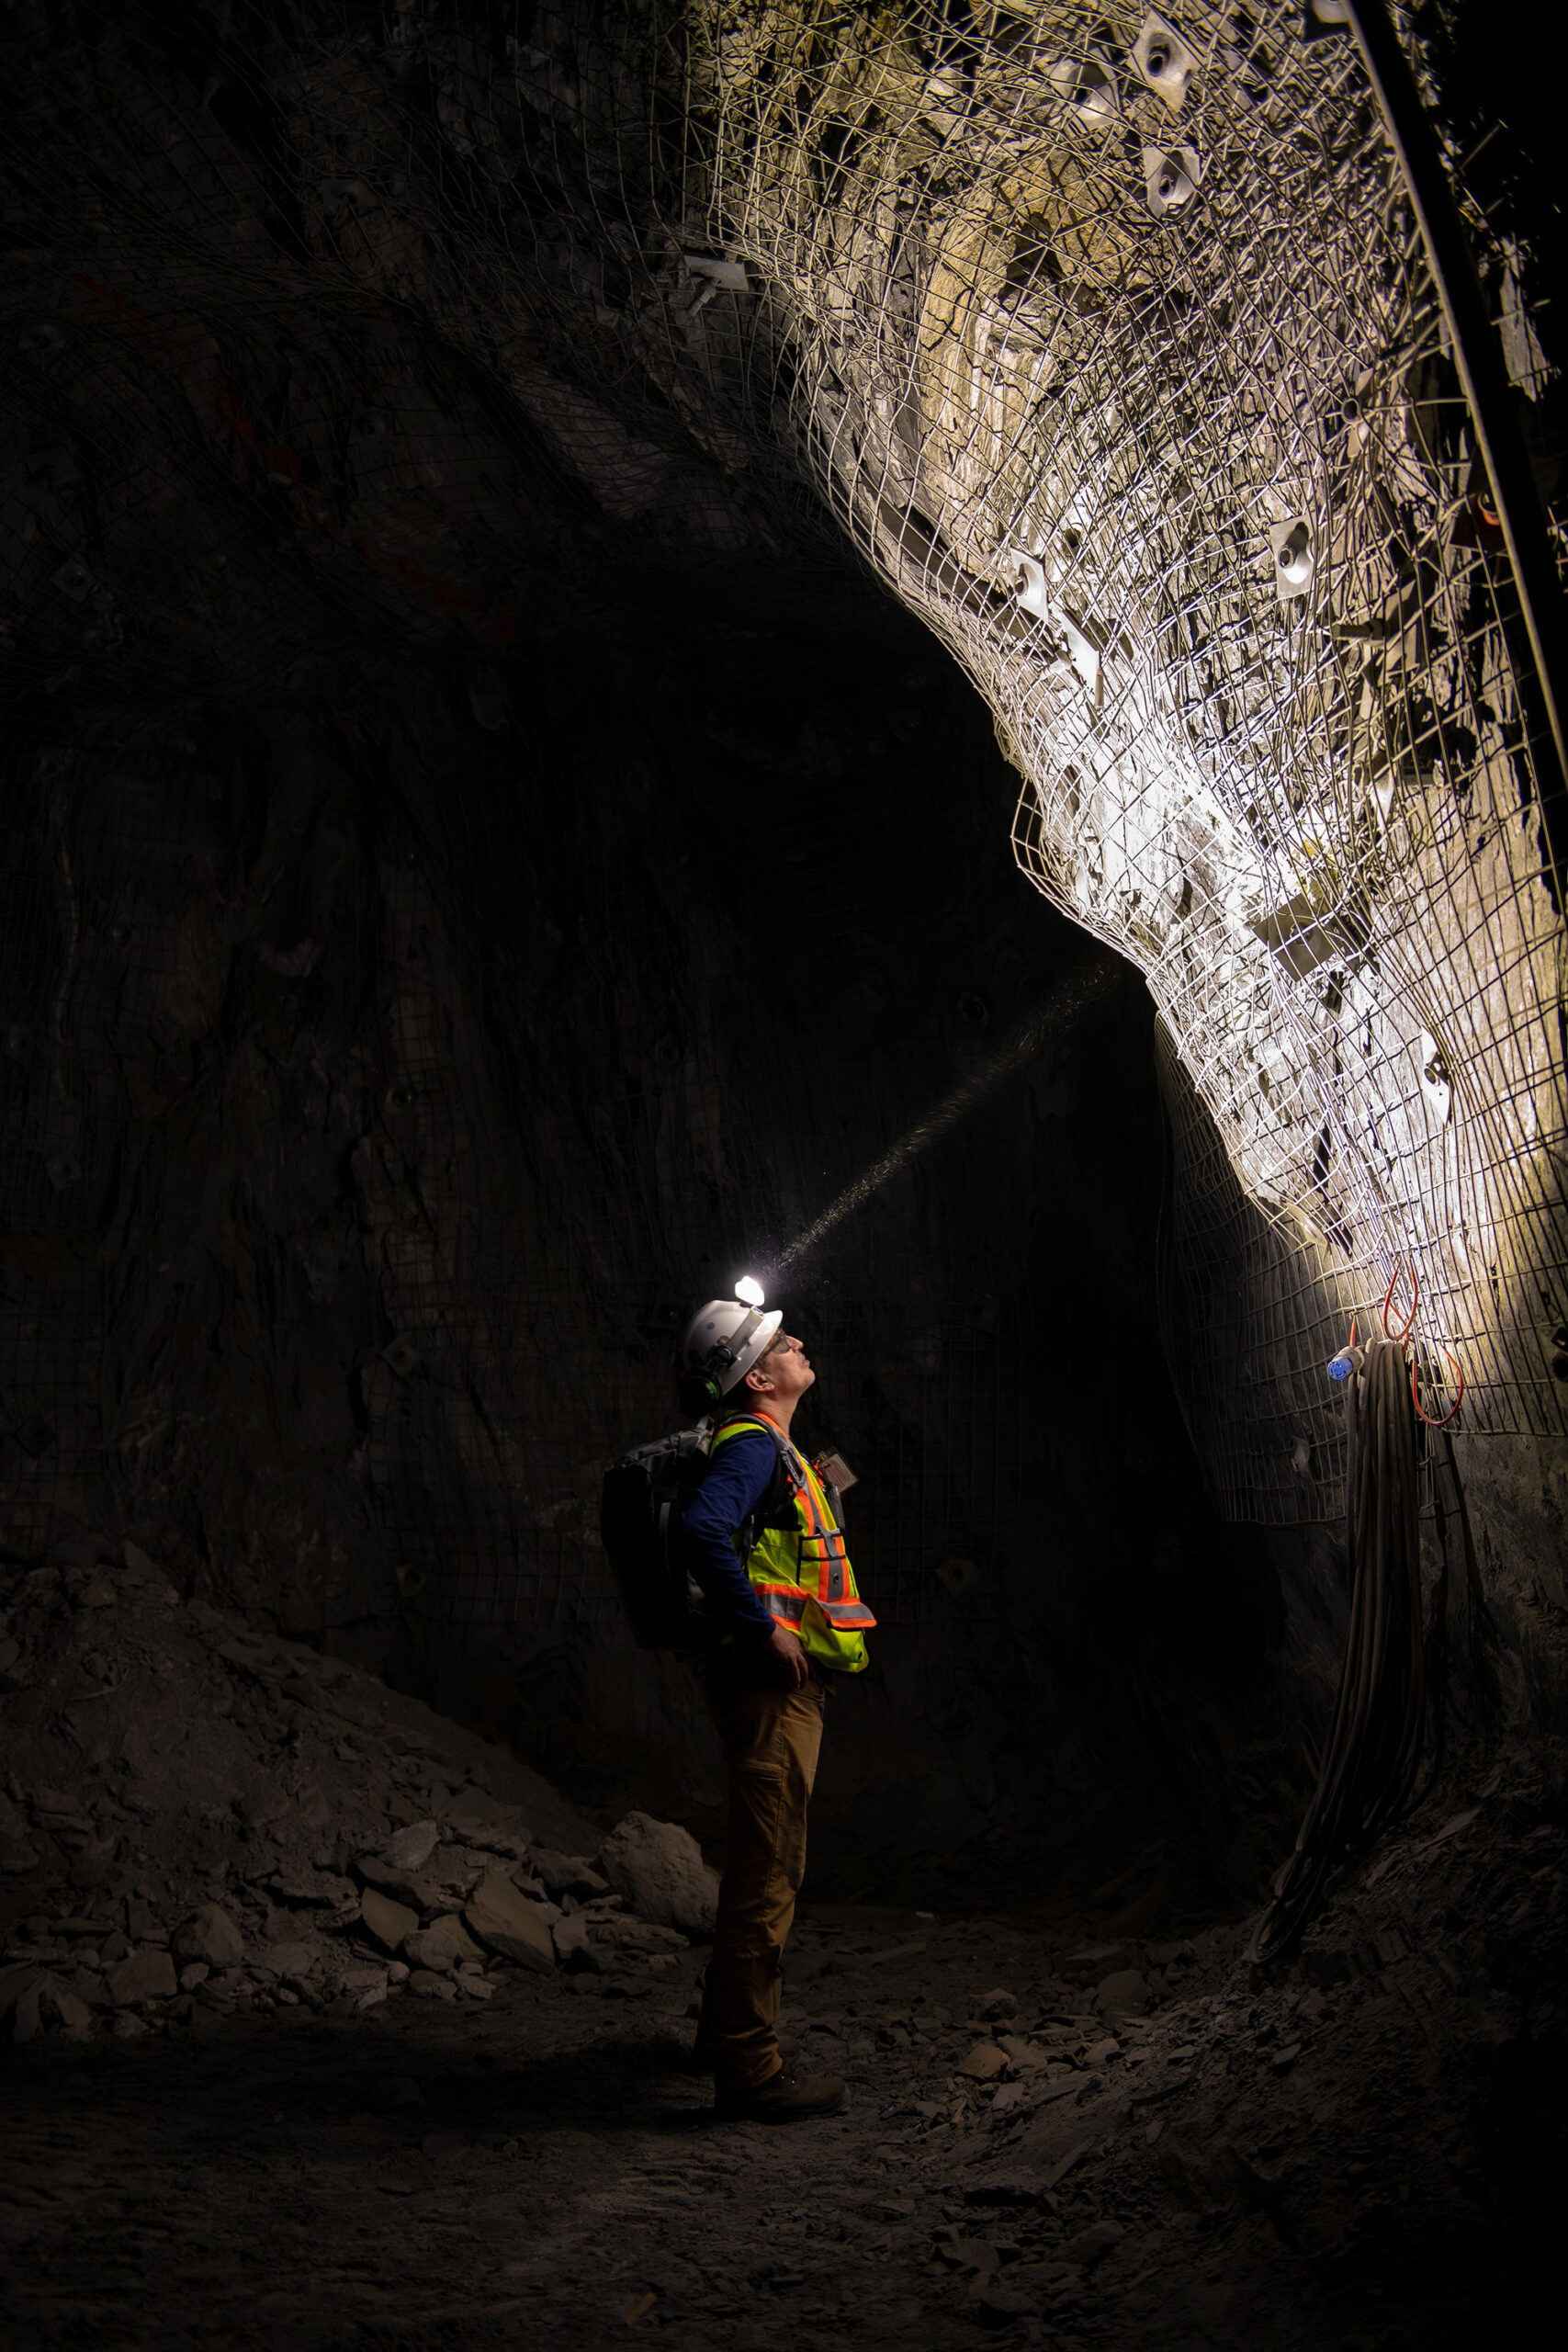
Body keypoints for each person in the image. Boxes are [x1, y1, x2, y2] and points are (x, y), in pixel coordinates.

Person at [677, 1297, 875, 2120]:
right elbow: (702, 1530)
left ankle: (720, 2031)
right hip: (767, 1689)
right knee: (768, 1872)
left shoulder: (777, 1451)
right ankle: (750, 2072)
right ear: (757, 1377)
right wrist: (763, 1629)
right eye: (777, 1343)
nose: (795, 1343)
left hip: (773, 1686)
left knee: (761, 1864)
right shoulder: (752, 1446)